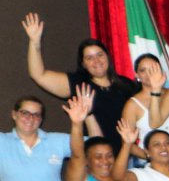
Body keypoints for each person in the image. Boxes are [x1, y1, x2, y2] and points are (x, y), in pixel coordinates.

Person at [22, 13, 139, 147]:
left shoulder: (126, 85)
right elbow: (39, 75)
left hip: (127, 154)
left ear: (107, 56)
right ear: (83, 64)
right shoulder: (78, 84)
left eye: (100, 55)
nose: (96, 61)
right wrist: (34, 42)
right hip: (93, 155)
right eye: (89, 58)